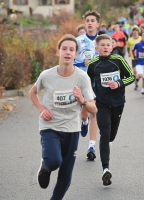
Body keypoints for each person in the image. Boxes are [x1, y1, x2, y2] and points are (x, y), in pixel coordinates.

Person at [29, 34, 97, 199]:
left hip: (72, 129)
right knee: (54, 161)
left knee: (66, 172)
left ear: (76, 55)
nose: (67, 52)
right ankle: (45, 167)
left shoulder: (82, 77)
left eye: (71, 50)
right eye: (64, 49)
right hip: (50, 126)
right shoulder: (47, 75)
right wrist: (41, 109)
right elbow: (32, 92)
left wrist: (81, 100)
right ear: (58, 52)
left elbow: (93, 109)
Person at [87, 34, 135, 186]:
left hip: (118, 102)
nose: (106, 47)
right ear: (97, 48)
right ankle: (105, 169)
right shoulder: (93, 64)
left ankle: (106, 148)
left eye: (108, 44)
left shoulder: (118, 60)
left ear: (112, 46)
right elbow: (88, 83)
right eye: (102, 45)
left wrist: (119, 83)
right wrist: (91, 98)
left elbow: (131, 77)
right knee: (105, 133)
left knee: (111, 136)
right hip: (101, 104)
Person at [74, 10, 100, 161]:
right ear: (85, 23)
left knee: (94, 112)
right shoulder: (78, 41)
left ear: (97, 24)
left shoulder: (102, 40)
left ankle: (91, 146)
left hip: (97, 82)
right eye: (87, 20)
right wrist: (81, 62)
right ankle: (83, 121)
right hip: (82, 81)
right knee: (84, 112)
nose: (89, 22)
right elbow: (70, 60)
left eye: (92, 20)